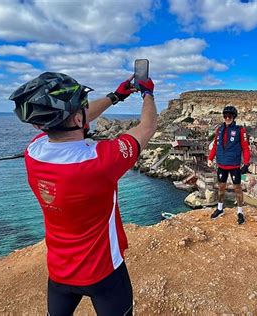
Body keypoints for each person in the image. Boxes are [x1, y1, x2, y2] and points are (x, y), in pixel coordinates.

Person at [9, 72, 157, 315]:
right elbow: (148, 126)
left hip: (59, 273)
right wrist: (147, 93)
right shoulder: (101, 160)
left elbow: (75, 120)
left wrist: (115, 97)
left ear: (39, 125)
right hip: (104, 272)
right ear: (78, 117)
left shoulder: (33, 151)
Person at [208, 105, 250, 225]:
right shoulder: (219, 130)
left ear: (234, 117)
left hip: (234, 165)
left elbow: (245, 148)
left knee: (238, 189)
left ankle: (240, 212)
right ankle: (220, 209)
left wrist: (246, 163)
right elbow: (215, 145)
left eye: (230, 116)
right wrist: (210, 158)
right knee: (221, 188)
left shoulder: (240, 130)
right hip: (221, 165)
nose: (227, 118)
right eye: (225, 116)